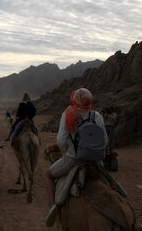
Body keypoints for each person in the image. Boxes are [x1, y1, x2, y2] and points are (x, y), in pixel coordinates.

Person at [45, 88, 107, 227]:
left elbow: (61, 140)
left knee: (48, 175)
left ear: (74, 100)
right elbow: (105, 140)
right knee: (111, 185)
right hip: (97, 160)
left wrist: (68, 152)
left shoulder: (67, 114)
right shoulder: (96, 115)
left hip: (74, 159)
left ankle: (52, 206)